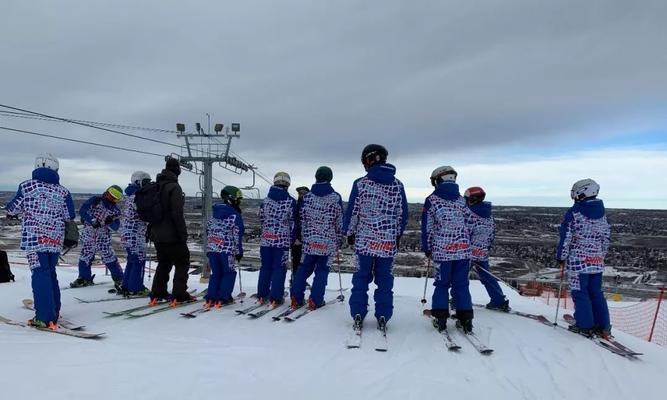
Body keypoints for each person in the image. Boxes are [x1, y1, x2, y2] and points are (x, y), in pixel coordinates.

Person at [6, 153, 75, 329]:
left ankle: (44, 317)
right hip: (54, 240)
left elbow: (13, 208)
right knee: (50, 273)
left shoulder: (27, 186)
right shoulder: (63, 191)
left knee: (40, 274)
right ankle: (54, 310)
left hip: (34, 239)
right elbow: (70, 215)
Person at [344, 144, 408, 331]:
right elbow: (401, 215)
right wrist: (396, 235)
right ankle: (383, 314)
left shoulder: (361, 183)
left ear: (370, 159)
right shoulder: (397, 185)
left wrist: (350, 233)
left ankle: (358, 311)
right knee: (385, 280)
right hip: (387, 243)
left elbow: (353, 212)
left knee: (361, 278)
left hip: (364, 241)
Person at [421, 166, 475, 333]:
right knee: (461, 285)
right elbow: (470, 225)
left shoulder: (432, 200)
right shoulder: (462, 201)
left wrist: (427, 247)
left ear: (438, 180)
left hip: (442, 251)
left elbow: (427, 227)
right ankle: (466, 319)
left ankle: (441, 317)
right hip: (463, 251)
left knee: (442, 284)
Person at [557, 178, 611, 337]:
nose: (573, 195)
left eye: (575, 192)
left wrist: (561, 256)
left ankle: (585, 325)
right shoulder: (602, 213)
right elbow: (606, 237)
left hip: (578, 262)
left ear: (583, 192)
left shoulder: (574, 212)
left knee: (580, 293)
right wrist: (600, 256)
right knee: (596, 292)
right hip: (597, 261)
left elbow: (566, 236)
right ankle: (603, 325)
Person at [290, 167, 343, 310]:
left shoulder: (307, 198)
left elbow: (301, 220)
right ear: (330, 178)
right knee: (321, 272)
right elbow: (339, 223)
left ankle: (295, 297)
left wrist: (303, 236)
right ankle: (315, 300)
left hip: (309, 241)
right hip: (327, 242)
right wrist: (339, 239)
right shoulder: (335, 197)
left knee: (303, 269)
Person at [149, 158, 192, 305]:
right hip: (172, 234)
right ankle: (179, 294)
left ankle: (157, 292)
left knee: (164, 263)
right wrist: (182, 234)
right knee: (182, 262)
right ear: (177, 171)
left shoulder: (156, 186)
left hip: (157, 234)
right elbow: (176, 213)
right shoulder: (174, 187)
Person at [71, 185, 124, 290]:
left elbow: (116, 226)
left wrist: (110, 222)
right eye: (110, 195)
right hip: (89, 235)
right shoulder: (95, 200)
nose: (111, 198)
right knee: (85, 257)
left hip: (103, 238)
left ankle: (119, 279)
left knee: (109, 258)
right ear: (106, 192)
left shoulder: (115, 211)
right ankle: (84, 277)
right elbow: (83, 211)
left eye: (114, 197)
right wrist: (92, 220)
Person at [465, 186, 509, 311]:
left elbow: (464, 233)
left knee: (460, 278)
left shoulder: (470, 214)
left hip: (467, 251)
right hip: (482, 251)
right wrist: (485, 248)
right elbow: (491, 234)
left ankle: (458, 300)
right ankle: (498, 300)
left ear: (472, 199)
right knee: (487, 276)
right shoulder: (489, 215)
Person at [257, 172, 297, 306]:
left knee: (265, 267)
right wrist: (291, 239)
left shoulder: (265, 201)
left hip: (266, 240)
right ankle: (276, 296)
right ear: (287, 184)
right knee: (279, 268)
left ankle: (262, 294)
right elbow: (293, 223)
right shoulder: (290, 201)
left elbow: (261, 219)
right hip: (282, 241)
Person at [205, 186, 245, 308]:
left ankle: (211, 297)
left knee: (216, 273)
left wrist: (210, 247)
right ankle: (223, 297)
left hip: (212, 248)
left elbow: (208, 230)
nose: (239, 202)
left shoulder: (214, 213)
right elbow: (237, 234)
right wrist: (239, 251)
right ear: (231, 199)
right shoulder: (234, 215)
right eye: (238, 199)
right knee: (229, 273)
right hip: (227, 250)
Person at [119, 171, 151, 295]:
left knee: (132, 260)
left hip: (128, 234)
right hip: (135, 234)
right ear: (139, 182)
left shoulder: (130, 196)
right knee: (138, 261)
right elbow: (143, 214)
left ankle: (127, 285)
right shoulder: (137, 197)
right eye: (146, 182)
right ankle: (135, 287)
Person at [290, 186, 310, 285]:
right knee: (297, 260)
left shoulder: (305, 206)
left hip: (305, 238)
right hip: (298, 238)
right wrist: (295, 237)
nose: (301, 195)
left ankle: (299, 279)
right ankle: (295, 279)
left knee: (303, 261)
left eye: (303, 193)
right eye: (300, 193)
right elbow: (294, 223)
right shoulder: (297, 206)